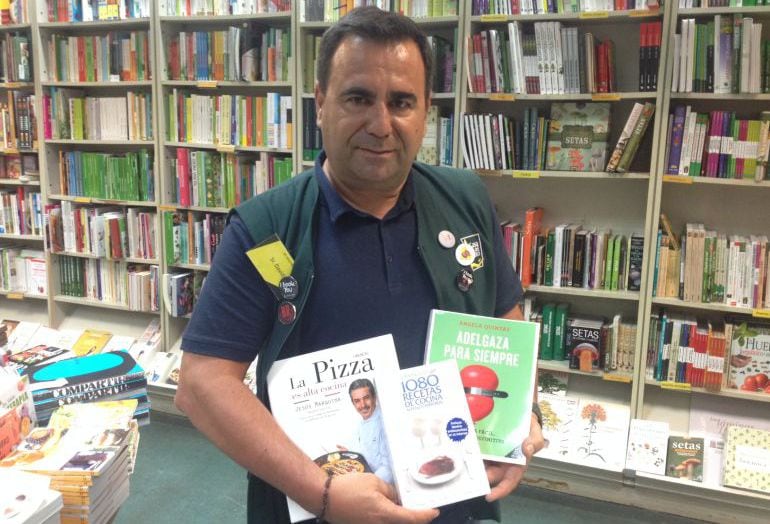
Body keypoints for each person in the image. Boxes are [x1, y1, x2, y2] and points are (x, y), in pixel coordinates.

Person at [176, 6, 544, 524]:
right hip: (324, 504)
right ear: (321, 103)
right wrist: (323, 494)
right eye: (358, 98)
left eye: (401, 102)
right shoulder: (266, 229)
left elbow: (504, 319)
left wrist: (519, 416)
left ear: (426, 112)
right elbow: (203, 383)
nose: (381, 124)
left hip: (455, 494)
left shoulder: (464, 199)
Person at [338, 379, 393, 484]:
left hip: (385, 486)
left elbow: (389, 468)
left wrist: (366, 484)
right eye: (357, 401)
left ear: (374, 397)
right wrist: (348, 454)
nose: (362, 405)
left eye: (366, 398)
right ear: (353, 403)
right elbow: (368, 452)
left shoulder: (385, 422)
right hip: (370, 478)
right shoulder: (362, 423)